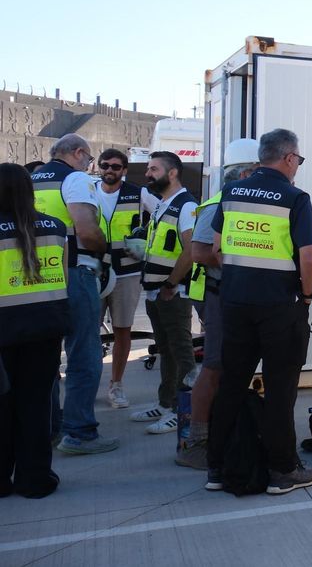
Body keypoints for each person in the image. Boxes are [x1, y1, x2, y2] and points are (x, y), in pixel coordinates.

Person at [206, 129, 312, 495]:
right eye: (298, 160)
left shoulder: (232, 192)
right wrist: (306, 294)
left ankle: (217, 468)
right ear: (288, 158)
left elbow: (217, 248)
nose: (297, 166)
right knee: (281, 388)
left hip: (235, 303)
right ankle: (282, 470)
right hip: (279, 306)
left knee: (231, 385)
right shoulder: (294, 197)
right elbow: (307, 256)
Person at [174, 138, 259, 469]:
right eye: (257, 172)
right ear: (242, 174)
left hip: (236, 295)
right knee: (215, 365)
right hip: (218, 296)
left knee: (230, 365)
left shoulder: (242, 204)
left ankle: (225, 429)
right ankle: (195, 441)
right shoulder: (217, 204)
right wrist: (247, 262)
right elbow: (199, 252)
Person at [34, 133, 118, 455]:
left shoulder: (33, 179)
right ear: (80, 153)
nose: (90, 165)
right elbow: (85, 228)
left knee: (46, 356)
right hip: (74, 270)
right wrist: (104, 250)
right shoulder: (75, 178)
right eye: (91, 159)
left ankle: (50, 428)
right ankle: (79, 433)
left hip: (39, 276)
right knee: (84, 352)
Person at [0, 163, 71, 498]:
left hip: (4, 330)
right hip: (45, 328)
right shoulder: (55, 227)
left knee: (3, 405)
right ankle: (35, 478)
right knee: (36, 405)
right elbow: (64, 280)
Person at [128, 151, 197, 435]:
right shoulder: (161, 205)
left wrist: (170, 285)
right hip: (156, 291)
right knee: (165, 349)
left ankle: (184, 410)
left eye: (153, 169)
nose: (147, 174)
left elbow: (191, 250)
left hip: (173, 292)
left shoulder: (187, 205)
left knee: (182, 352)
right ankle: (166, 403)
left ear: (172, 173)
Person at [95, 148, 144, 409]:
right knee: (87, 330)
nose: (109, 171)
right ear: (99, 167)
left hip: (127, 272)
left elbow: (160, 219)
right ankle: (90, 383)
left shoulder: (138, 194)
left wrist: (144, 243)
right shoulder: (88, 191)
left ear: (124, 170)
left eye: (116, 166)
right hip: (93, 269)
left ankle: (116, 385)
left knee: (122, 329)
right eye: (105, 165)